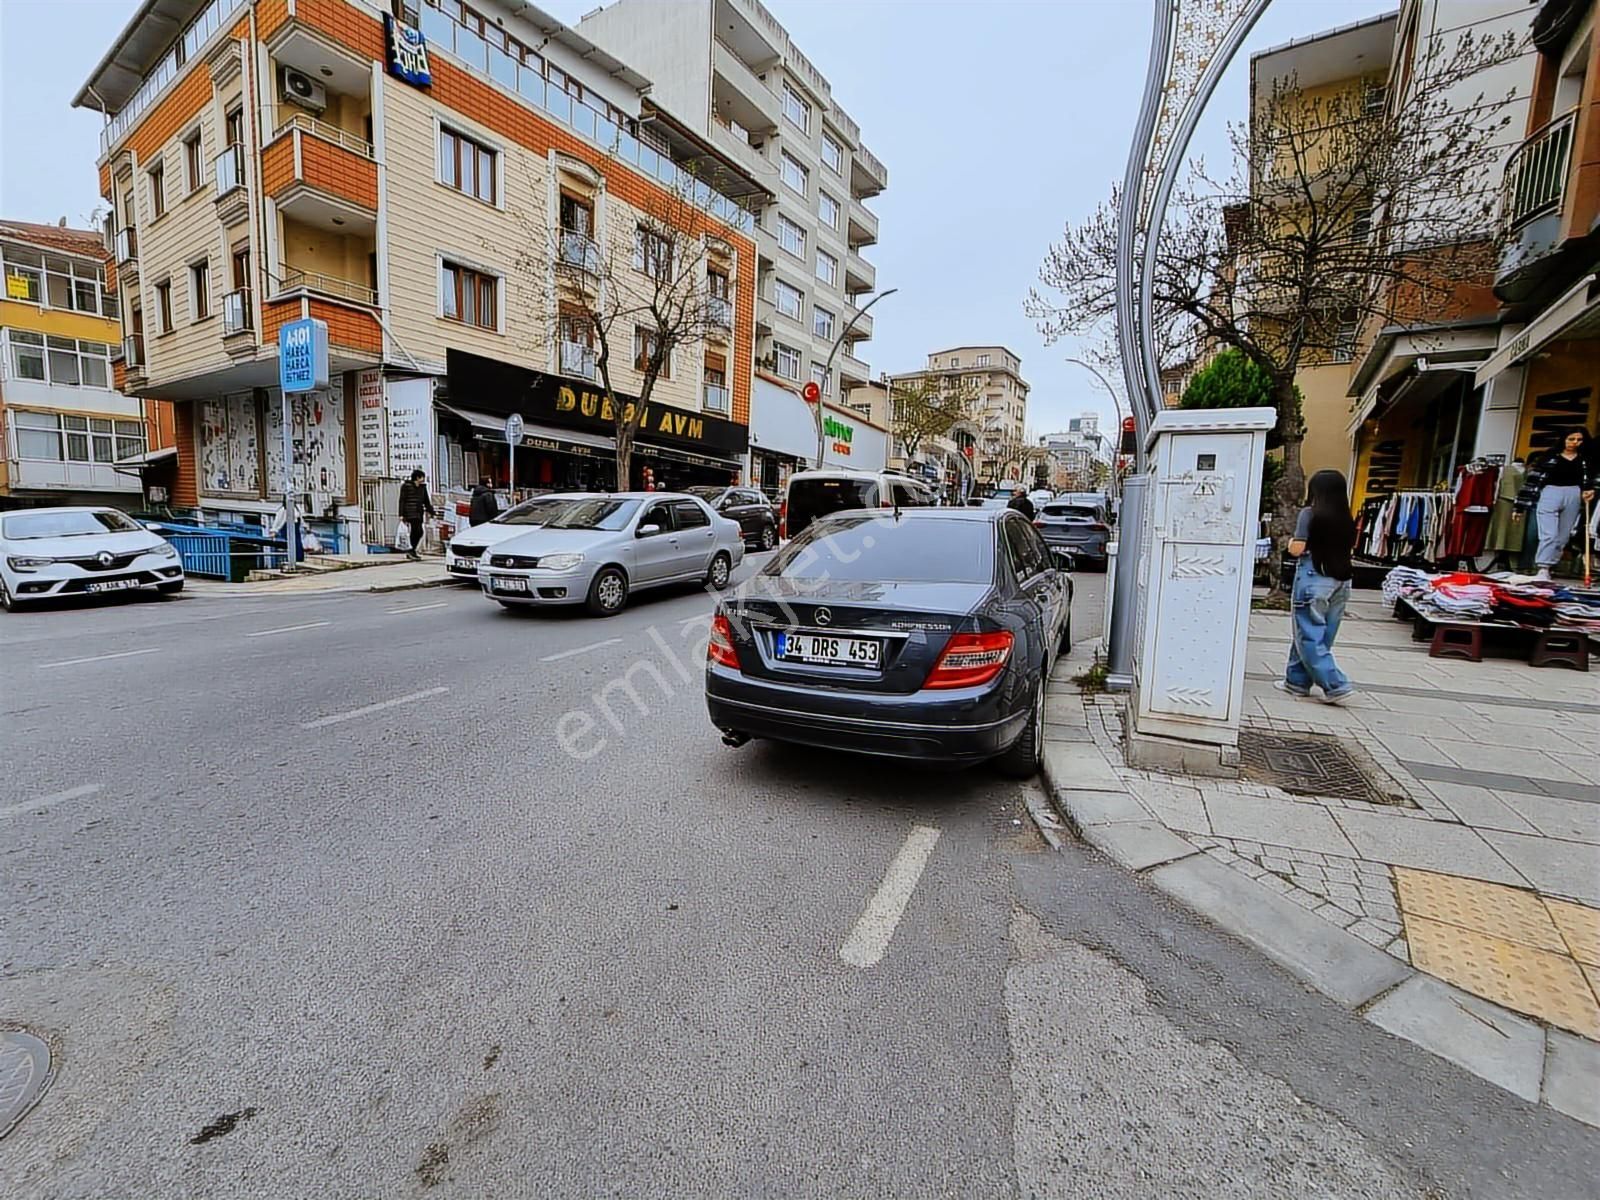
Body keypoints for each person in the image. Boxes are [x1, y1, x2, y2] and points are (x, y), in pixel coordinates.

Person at [1280, 469, 1357, 705]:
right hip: (1340, 580)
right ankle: (1297, 681)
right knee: (1320, 635)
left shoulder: (1309, 514)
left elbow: (1297, 549)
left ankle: (1335, 684)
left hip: (1314, 578)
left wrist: (1290, 541)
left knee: (1308, 634)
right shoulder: (1346, 518)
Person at [1518, 429, 1596, 582]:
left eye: (1579, 440)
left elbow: (1592, 479)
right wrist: (1520, 506)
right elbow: (1532, 481)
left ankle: (1550, 564)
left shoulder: (1585, 459)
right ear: (1563, 439)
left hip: (1574, 493)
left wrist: (1590, 489)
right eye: (1571, 439)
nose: (1575, 443)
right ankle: (1543, 567)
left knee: (1563, 535)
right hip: (1551, 492)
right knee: (1549, 534)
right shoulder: (1549, 457)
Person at [398, 468, 435, 561]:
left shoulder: (423, 488)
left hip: (419, 513)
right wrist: (401, 514)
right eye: (422, 477)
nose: (423, 479)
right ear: (417, 477)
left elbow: (426, 501)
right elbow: (402, 500)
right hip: (410, 513)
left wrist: (432, 512)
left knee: (419, 532)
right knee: (416, 531)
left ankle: (412, 550)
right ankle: (411, 550)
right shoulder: (406, 486)